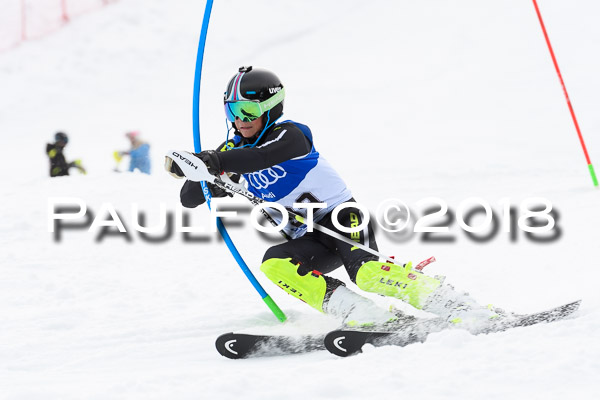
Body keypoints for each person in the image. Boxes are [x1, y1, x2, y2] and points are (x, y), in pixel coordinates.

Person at [165, 66, 504, 331]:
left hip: (342, 217)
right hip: (307, 236)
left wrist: (217, 161)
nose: (240, 120)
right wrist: (201, 169)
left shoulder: (292, 135)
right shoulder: (231, 151)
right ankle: (360, 313)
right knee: (275, 264)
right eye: (233, 110)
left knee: (368, 274)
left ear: (269, 108)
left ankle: (459, 306)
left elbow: (262, 158)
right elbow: (191, 198)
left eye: (248, 110)